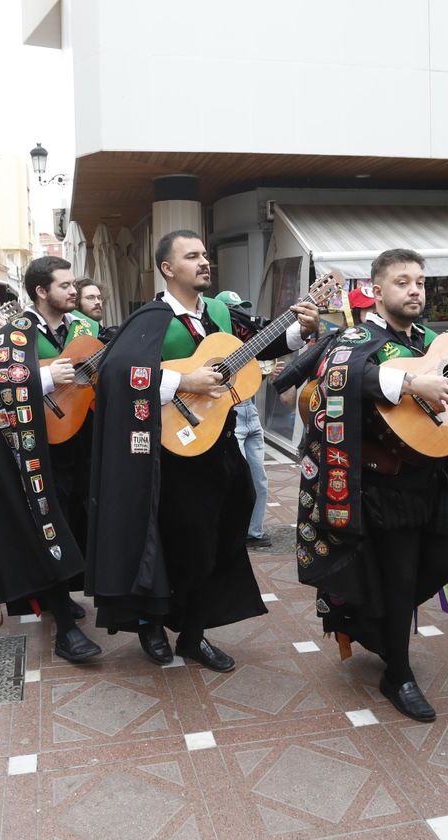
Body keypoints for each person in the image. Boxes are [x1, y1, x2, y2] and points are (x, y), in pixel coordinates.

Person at [85, 229, 319, 671]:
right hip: (168, 457)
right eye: (192, 256)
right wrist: (182, 381)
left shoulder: (218, 312)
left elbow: (258, 341)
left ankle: (193, 633)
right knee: (175, 543)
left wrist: (298, 330)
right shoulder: (149, 318)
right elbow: (117, 373)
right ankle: (151, 623)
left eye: (205, 255)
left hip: (220, 446)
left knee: (223, 534)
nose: (204, 262)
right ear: (168, 268)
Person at [295, 249, 448, 721]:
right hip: (386, 486)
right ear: (377, 289)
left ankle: (373, 620)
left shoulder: (435, 341)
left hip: (437, 478)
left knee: (444, 564)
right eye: (402, 282)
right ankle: (398, 673)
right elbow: (340, 375)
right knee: (401, 577)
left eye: (420, 282)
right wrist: (412, 384)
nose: (415, 290)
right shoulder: (357, 335)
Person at [0, 257, 102, 660]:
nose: (72, 292)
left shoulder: (79, 329)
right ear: (41, 291)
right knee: (48, 525)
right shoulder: (13, 333)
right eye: (63, 286)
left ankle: (60, 591)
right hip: (37, 453)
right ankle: (64, 627)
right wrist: (46, 378)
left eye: (73, 285)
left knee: (79, 521)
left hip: (81, 444)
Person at [216, 290, 273, 548]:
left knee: (259, 479)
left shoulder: (247, 344)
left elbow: (250, 382)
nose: (241, 315)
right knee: (235, 481)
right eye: (233, 309)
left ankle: (254, 532)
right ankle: (231, 533)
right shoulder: (215, 346)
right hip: (232, 418)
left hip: (251, 414)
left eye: (242, 308)